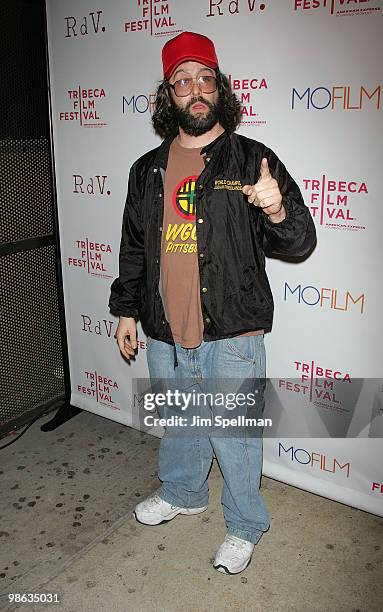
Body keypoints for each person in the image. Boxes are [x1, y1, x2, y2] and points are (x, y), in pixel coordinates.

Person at [109, 31, 316, 575]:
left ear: (220, 89)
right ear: (167, 94)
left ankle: (246, 524)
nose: (195, 90)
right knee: (180, 421)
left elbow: (299, 241)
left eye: (205, 79)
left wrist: (275, 211)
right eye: (183, 81)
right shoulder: (146, 169)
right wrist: (127, 310)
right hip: (163, 329)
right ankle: (182, 492)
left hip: (232, 330)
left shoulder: (253, 159)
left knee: (236, 436)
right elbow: (134, 246)